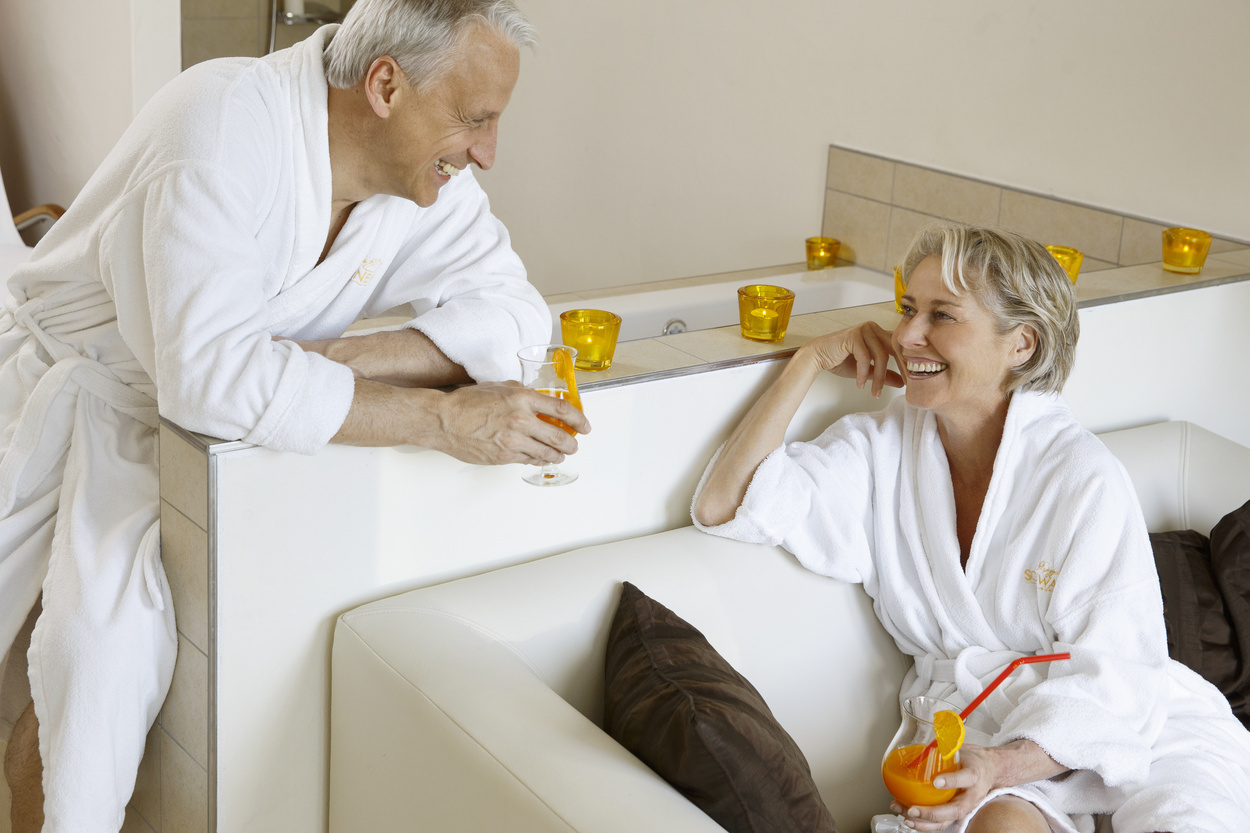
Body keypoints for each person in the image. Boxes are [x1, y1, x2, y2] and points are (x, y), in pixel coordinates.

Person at [0, 0, 591, 829]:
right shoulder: (219, 126)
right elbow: (210, 379)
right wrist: (444, 421)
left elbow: (521, 319)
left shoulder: (422, 184)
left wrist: (339, 357)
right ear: (385, 85)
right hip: (76, 396)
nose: (487, 152)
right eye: (475, 119)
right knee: (89, 657)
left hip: (195, 442)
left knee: (93, 678)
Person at [691, 222, 1250, 832]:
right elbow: (725, 503)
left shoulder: (1081, 475)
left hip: (1133, 722)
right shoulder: (884, 449)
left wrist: (1005, 764)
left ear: (1022, 345)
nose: (907, 335)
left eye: (942, 315)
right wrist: (809, 361)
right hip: (979, 727)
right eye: (908, 309)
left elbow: (1121, 674)